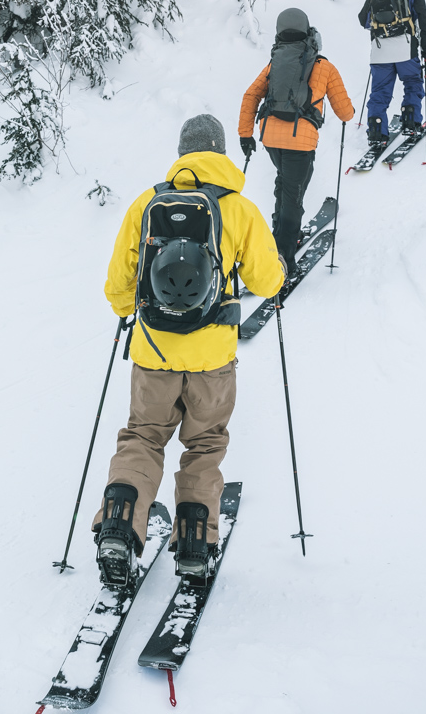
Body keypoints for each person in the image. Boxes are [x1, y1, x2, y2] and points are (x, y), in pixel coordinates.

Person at [93, 114, 284, 587]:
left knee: (142, 437)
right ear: (220, 151)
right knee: (203, 445)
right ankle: (196, 546)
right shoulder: (239, 208)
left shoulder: (147, 204)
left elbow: (118, 283)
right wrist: (275, 269)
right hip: (213, 359)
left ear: (183, 152)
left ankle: (119, 526)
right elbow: (266, 280)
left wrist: (129, 311)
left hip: (153, 351)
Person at [237, 8, 354, 272]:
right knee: (293, 196)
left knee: (285, 183)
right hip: (300, 143)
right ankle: (283, 258)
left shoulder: (275, 63)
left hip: (270, 138)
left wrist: (246, 134)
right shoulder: (324, 66)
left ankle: (279, 238)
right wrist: (350, 112)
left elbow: (250, 95)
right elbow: (344, 112)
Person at [358, 0, 426, 145]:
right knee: (413, 83)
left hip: (380, 52)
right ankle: (411, 121)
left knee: (380, 92)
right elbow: (423, 21)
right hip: (406, 49)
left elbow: (363, 20)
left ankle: (376, 132)